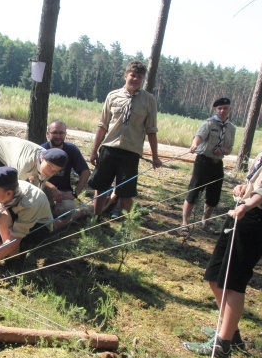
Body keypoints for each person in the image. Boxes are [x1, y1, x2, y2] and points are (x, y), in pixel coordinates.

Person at [183, 99, 262, 358]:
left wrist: (247, 204)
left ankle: (223, 345)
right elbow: (257, 182)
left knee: (233, 283)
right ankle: (231, 333)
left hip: (255, 220)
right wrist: (242, 189)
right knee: (215, 275)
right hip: (242, 212)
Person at [88, 60, 162, 218]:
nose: (135, 79)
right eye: (133, 75)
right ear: (125, 75)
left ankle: (126, 226)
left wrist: (155, 156)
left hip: (130, 152)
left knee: (126, 192)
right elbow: (103, 125)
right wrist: (94, 151)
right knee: (101, 186)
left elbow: (151, 131)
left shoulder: (149, 101)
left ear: (143, 80)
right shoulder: (113, 96)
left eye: (139, 77)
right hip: (109, 148)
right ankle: (95, 219)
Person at [180, 97, 236, 235]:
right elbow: (198, 136)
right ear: (215, 110)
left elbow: (229, 149)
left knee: (214, 196)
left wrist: (223, 150)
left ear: (230, 109)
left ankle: (205, 221)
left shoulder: (231, 128)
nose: (222, 111)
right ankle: (184, 222)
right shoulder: (209, 123)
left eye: (225, 108)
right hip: (203, 161)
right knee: (194, 191)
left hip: (217, 163)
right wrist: (195, 144)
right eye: (219, 108)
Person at [40, 120, 91, 226]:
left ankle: (51, 215)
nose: (58, 136)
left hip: (63, 191)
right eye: (54, 133)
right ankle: (46, 214)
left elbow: (85, 172)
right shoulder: (42, 149)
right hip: (42, 187)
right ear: (47, 133)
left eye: (61, 133)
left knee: (68, 208)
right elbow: (34, 175)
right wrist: (53, 189)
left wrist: (75, 193)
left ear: (65, 134)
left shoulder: (71, 150)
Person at [0, 136, 68, 188]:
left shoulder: (48, 164)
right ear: (43, 159)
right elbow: (15, 190)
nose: (50, 172)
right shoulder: (24, 165)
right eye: (49, 167)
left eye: (54, 171)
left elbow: (37, 189)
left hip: (10, 158)